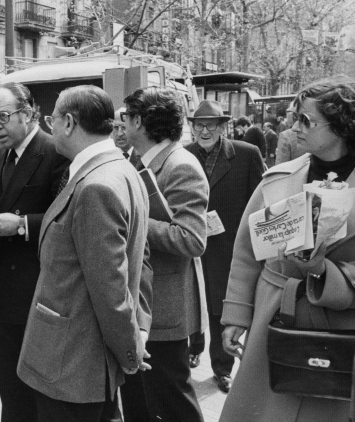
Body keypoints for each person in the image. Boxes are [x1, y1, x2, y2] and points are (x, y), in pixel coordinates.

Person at [220, 76, 355, 421]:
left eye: (305, 120)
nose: (294, 127)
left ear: (341, 126)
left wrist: (325, 273)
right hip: (273, 315)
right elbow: (247, 254)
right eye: (295, 117)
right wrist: (236, 316)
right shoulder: (277, 180)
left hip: (340, 332)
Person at [16, 85, 149, 422]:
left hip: (72, 366)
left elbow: (110, 288)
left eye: (53, 119)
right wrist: (138, 332)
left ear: (70, 123)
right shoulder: (123, 171)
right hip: (83, 364)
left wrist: (130, 350)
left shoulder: (95, 186)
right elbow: (140, 261)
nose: (51, 127)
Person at [0, 82, 69, 422]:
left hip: (41, 292)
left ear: (28, 114)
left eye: (1, 116)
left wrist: (22, 224)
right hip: (4, 293)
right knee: (11, 392)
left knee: (39, 394)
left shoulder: (56, 152)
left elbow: (68, 217)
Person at [119, 87, 208, 422]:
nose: (121, 126)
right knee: (139, 403)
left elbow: (191, 239)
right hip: (138, 305)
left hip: (163, 310)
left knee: (172, 404)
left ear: (140, 122)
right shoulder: (137, 161)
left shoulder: (180, 165)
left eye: (126, 118)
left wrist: (133, 221)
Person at [184, 100, 265, 393]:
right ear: (192, 127)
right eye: (199, 125)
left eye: (211, 125)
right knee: (193, 300)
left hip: (228, 246)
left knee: (220, 306)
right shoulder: (184, 155)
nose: (204, 131)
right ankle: (194, 348)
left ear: (222, 127)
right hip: (192, 244)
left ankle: (222, 368)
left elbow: (261, 203)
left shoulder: (246, 155)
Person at [114, 106, 143, 170]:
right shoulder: (107, 158)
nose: (119, 134)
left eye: (124, 128)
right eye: (116, 128)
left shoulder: (143, 157)